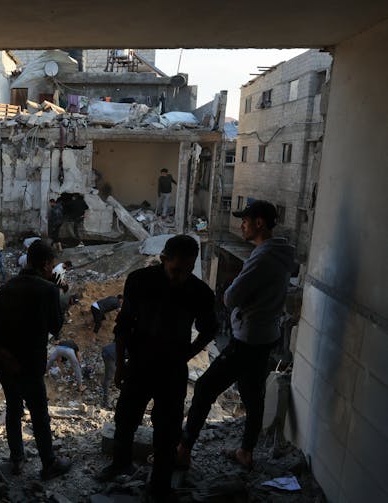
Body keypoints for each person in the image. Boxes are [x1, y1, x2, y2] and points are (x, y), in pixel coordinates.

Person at [97, 235, 217, 502]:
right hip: (139, 365)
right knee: (125, 419)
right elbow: (123, 326)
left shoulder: (199, 292)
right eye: (176, 271)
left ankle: (160, 484)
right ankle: (120, 463)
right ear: (163, 260)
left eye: (187, 271)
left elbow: (210, 330)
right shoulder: (140, 281)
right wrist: (120, 365)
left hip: (172, 371)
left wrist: (187, 354)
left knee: (168, 429)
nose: (181, 278)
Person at [178, 200, 295, 470]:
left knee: (206, 388)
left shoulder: (263, 256)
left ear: (259, 223)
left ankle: (183, 449)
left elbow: (231, 297)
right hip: (266, 335)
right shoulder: (280, 254)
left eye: (245, 220)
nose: (241, 225)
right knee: (253, 395)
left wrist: (230, 292)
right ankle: (246, 451)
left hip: (248, 338)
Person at [0, 240, 72, 481]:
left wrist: (3, 354)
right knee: (39, 413)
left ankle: (16, 459)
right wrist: (58, 296)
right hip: (30, 364)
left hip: (6, 364)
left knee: (13, 408)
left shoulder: (7, 287)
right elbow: (56, 327)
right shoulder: (48, 290)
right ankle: (48, 463)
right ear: (45, 264)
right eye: (52, 265)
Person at [101, 342, 116, 407]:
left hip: (107, 350)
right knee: (109, 377)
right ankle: (105, 401)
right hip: (110, 354)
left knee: (109, 374)